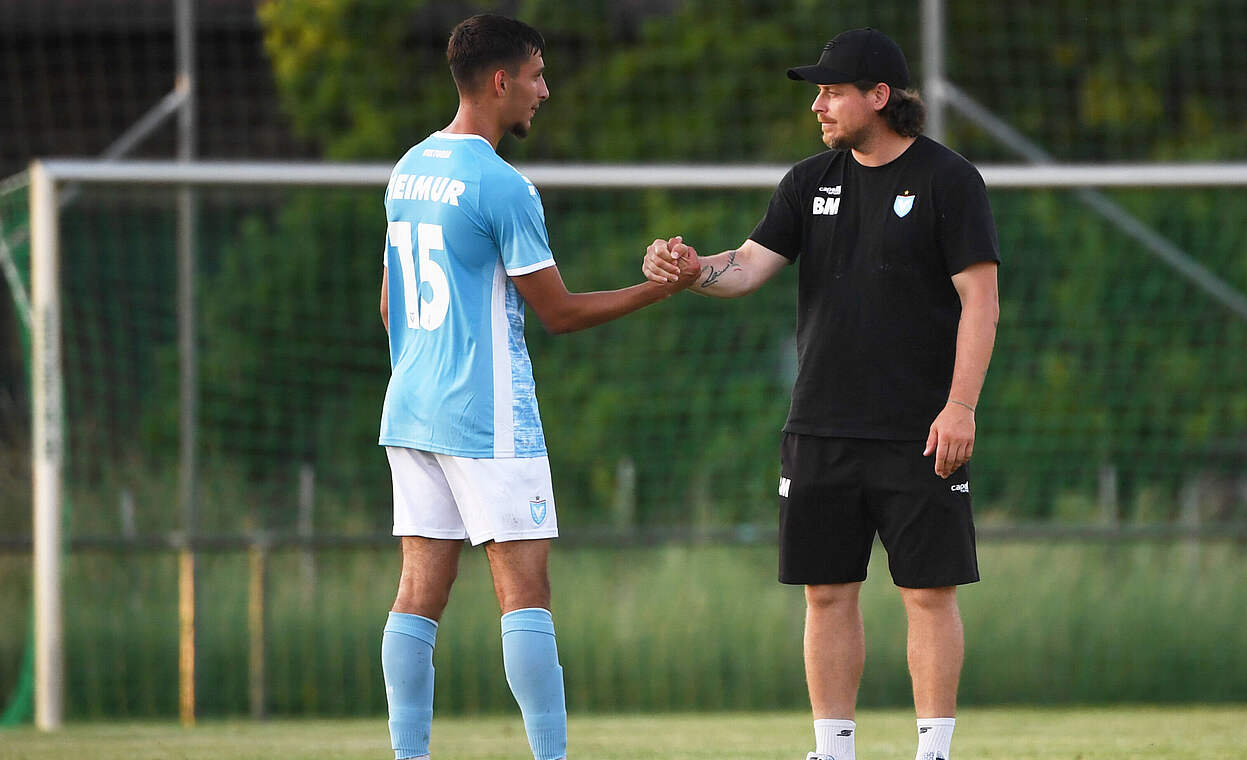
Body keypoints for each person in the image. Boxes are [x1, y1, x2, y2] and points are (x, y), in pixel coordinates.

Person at [644, 27, 999, 760]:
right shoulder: (808, 182)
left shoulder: (950, 180)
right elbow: (742, 268)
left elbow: (981, 302)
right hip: (820, 427)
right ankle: (834, 750)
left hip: (920, 430)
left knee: (928, 593)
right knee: (826, 591)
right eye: (818, 92)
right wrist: (689, 271)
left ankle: (933, 752)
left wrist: (960, 406)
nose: (819, 105)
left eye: (833, 91)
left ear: (880, 96)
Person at [377, 14, 697, 760]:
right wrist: (662, 290)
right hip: (486, 416)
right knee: (525, 596)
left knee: (418, 597)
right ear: (500, 81)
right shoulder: (503, 185)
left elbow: (391, 304)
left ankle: (408, 754)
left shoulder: (410, 166)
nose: (543, 91)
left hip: (411, 407)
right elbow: (558, 313)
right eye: (537, 75)